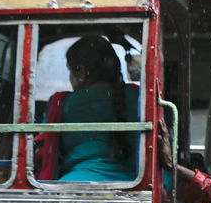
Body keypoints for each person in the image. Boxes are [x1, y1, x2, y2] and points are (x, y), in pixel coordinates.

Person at [36, 35, 139, 181]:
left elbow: (48, 154)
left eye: (70, 72)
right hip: (133, 185)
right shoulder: (138, 97)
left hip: (73, 185)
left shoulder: (62, 103)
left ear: (81, 72)